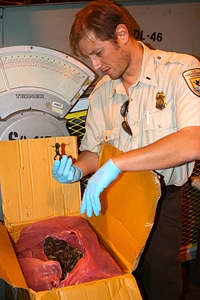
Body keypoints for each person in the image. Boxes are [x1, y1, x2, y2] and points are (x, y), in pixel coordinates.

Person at [52, 1, 200, 299]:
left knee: (160, 282)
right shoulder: (102, 93)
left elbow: (193, 141)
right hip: (116, 199)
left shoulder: (179, 71)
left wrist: (116, 164)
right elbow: (93, 152)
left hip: (161, 203)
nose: (95, 66)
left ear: (121, 34)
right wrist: (77, 169)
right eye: (88, 57)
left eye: (98, 53)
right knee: (118, 281)